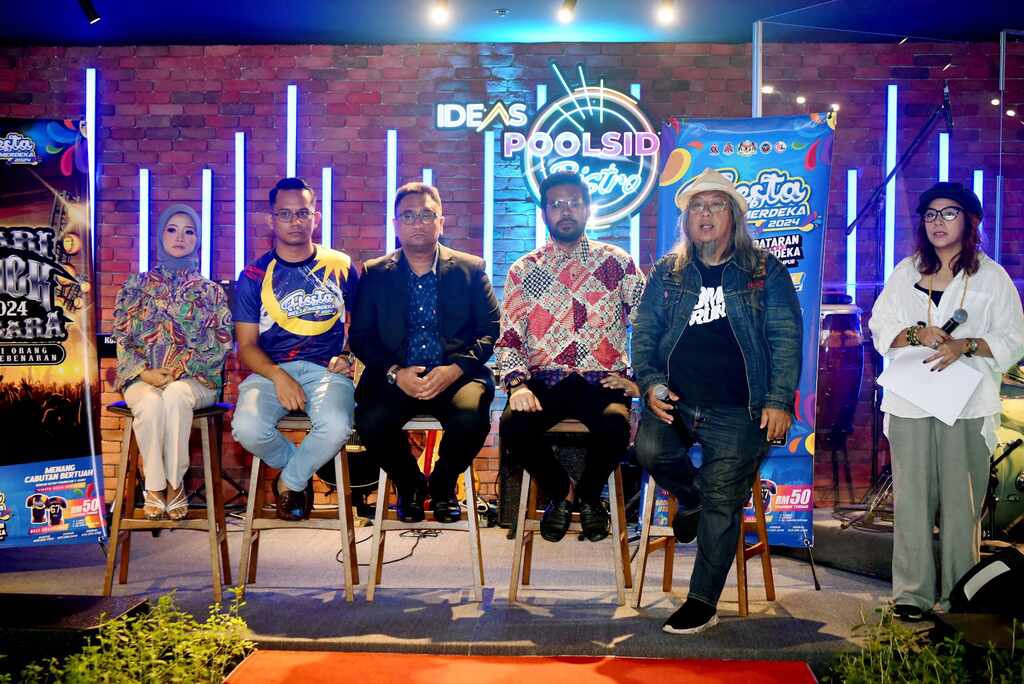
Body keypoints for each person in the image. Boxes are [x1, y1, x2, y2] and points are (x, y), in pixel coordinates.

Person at [632, 168, 802, 635]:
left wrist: (779, 400)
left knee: (723, 499)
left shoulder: (764, 270)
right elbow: (644, 335)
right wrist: (650, 384)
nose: (705, 214)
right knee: (649, 450)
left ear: (734, 217)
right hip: (677, 400)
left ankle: (702, 602)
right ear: (686, 220)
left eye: (716, 205)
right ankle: (690, 499)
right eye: (697, 207)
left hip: (740, 409)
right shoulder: (668, 272)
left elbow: (785, 337)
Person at [869, 182, 1024, 621]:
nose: (938, 222)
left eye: (949, 213)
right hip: (909, 402)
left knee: (962, 505)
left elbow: (1015, 338)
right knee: (912, 501)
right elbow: (880, 326)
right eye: (931, 214)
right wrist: (915, 333)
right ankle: (912, 595)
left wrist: (966, 345)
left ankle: (960, 596)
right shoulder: (905, 272)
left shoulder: (991, 277)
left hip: (966, 404)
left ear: (970, 221)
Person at [496, 171, 645, 544]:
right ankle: (564, 493)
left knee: (616, 426)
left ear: (588, 209)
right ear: (544, 212)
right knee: (513, 425)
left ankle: (589, 494)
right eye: (556, 205)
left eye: (574, 203)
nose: (566, 211)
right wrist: (516, 385)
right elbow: (509, 338)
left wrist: (639, 380)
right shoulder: (524, 270)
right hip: (545, 381)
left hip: (602, 380)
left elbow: (650, 326)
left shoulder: (617, 263)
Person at [350, 182, 500, 523]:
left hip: (455, 374)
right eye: (408, 216)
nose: (417, 223)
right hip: (396, 376)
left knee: (472, 414)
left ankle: (444, 484)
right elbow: (360, 337)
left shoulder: (470, 269)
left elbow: (490, 330)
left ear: (441, 222)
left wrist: (455, 370)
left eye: (426, 215)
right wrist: (394, 372)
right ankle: (410, 485)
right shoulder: (375, 273)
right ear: (395, 224)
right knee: (370, 420)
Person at [232, 177, 359, 521]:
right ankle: (298, 477)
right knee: (247, 428)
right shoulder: (254, 275)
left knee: (336, 427)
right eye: (285, 214)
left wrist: (348, 355)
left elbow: (363, 325)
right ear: (271, 220)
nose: (295, 221)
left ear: (315, 217)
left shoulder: (341, 265)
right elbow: (246, 345)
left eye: (302, 213)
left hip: (326, 371)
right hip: (271, 371)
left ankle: (289, 482)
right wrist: (278, 376)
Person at [113, 204, 233, 521]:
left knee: (177, 395)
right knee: (151, 402)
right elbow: (123, 339)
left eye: (188, 231)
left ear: (198, 240)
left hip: (196, 381)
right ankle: (156, 486)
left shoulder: (211, 292)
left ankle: (175, 483)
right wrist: (145, 373)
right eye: (172, 229)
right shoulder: (135, 286)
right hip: (142, 378)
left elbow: (221, 343)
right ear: (160, 235)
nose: (180, 237)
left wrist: (180, 369)